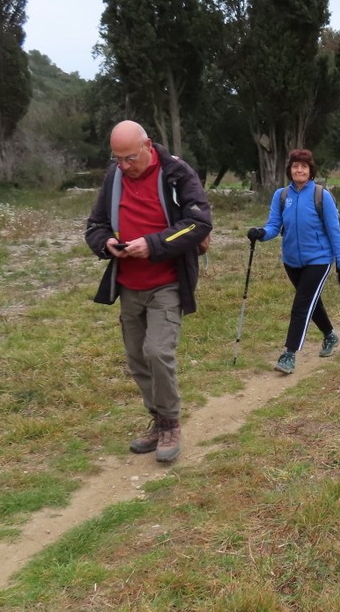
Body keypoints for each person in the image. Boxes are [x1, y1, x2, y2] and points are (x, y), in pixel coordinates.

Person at [85, 120, 213, 464]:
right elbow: (94, 226)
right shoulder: (114, 178)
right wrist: (106, 244)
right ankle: (157, 420)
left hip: (167, 281)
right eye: (118, 159)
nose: (124, 166)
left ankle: (171, 423)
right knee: (137, 358)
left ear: (148, 145)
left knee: (157, 352)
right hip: (129, 284)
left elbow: (200, 222)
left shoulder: (176, 173)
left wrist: (153, 244)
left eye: (130, 158)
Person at [247, 149, 340, 375]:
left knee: (301, 304)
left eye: (303, 166)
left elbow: (335, 232)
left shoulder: (321, 195)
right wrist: (261, 233)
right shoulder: (281, 195)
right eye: (295, 166)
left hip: (320, 259)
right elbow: (274, 225)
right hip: (292, 261)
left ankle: (289, 353)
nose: (299, 170)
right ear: (290, 170)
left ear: (310, 170)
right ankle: (330, 336)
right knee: (312, 302)